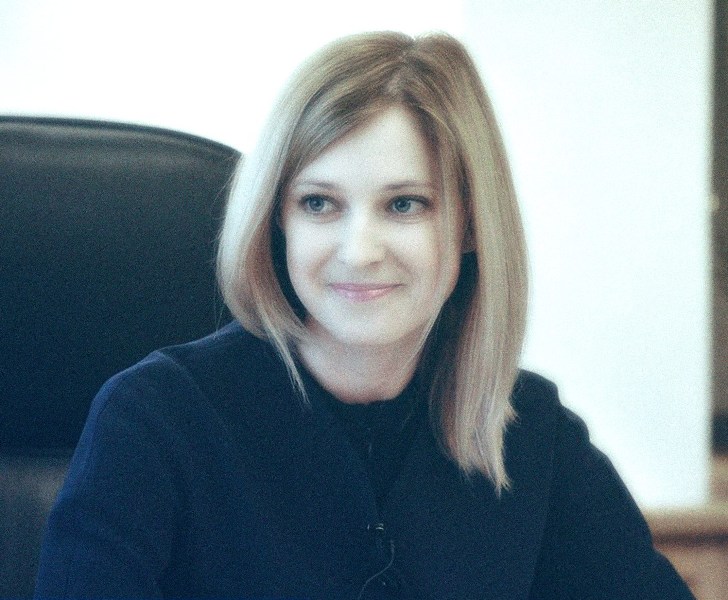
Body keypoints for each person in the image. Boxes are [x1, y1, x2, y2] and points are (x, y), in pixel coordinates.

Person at [34, 31, 694, 599]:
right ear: (277, 221)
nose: (359, 250)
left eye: (404, 205)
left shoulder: (528, 432)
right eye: (319, 204)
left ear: (470, 224)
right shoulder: (155, 420)